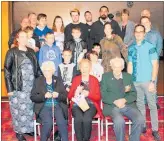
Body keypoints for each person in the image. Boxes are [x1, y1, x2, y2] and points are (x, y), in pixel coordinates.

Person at [4, 30, 42, 141]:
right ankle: (19, 132)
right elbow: (7, 71)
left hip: (31, 86)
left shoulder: (31, 51)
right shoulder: (12, 52)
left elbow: (37, 68)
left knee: (30, 108)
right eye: (22, 37)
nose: (24, 39)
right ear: (17, 39)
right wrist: (9, 88)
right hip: (18, 86)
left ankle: (29, 129)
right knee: (18, 109)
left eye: (26, 37)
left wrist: (41, 83)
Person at [128, 24, 161, 141]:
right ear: (134, 33)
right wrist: (129, 81)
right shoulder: (131, 48)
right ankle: (143, 125)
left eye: (140, 31)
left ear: (144, 33)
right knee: (140, 105)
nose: (138, 33)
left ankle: (155, 130)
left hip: (148, 81)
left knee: (152, 106)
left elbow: (155, 65)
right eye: (136, 31)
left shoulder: (150, 47)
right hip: (136, 82)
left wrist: (153, 81)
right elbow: (130, 65)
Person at [101, 57, 144, 141]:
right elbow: (103, 94)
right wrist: (115, 101)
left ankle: (134, 139)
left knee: (140, 119)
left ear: (122, 67)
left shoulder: (128, 76)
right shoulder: (105, 77)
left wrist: (124, 100)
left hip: (127, 105)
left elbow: (133, 94)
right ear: (111, 66)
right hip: (112, 106)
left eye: (119, 67)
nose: (117, 69)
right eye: (115, 67)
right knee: (119, 121)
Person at [31, 61, 68, 141]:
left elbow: (65, 96)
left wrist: (58, 95)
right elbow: (33, 97)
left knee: (62, 122)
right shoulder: (38, 81)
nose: (46, 72)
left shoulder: (58, 80)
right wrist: (44, 96)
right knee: (48, 123)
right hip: (43, 106)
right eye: (44, 70)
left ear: (53, 71)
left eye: (48, 70)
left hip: (57, 105)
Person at [68, 59, 103, 141]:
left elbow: (98, 97)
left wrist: (88, 94)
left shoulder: (94, 80)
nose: (84, 69)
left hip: (91, 104)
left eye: (86, 67)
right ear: (79, 68)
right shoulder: (76, 79)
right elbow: (69, 96)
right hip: (77, 104)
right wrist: (75, 92)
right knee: (78, 118)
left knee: (87, 118)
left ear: (90, 68)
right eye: (82, 67)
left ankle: (86, 139)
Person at [140, 16, 163, 109]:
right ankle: (144, 101)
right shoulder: (139, 34)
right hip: (141, 62)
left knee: (153, 81)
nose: (144, 24)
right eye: (142, 22)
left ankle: (153, 102)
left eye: (146, 22)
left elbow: (159, 46)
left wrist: (154, 58)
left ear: (150, 23)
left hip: (152, 62)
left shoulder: (156, 34)